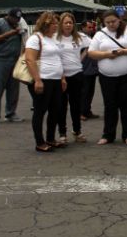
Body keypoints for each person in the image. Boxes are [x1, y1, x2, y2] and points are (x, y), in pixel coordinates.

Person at [87, 10, 127, 145]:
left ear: (119, 19)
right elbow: (91, 52)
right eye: (107, 22)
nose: (111, 24)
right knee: (110, 105)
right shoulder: (100, 34)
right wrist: (107, 55)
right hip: (106, 76)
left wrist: (124, 51)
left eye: (113, 21)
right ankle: (108, 135)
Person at [24, 12, 67, 152]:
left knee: (55, 110)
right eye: (52, 24)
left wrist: (62, 78)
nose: (56, 26)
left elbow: (59, 59)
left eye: (56, 23)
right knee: (40, 111)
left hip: (55, 80)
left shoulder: (54, 39)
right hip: (43, 79)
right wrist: (37, 80)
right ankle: (39, 142)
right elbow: (30, 60)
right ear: (44, 24)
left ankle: (50, 138)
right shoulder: (35, 38)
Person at [55, 12, 90, 144]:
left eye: (71, 22)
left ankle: (77, 131)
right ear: (61, 24)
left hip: (76, 75)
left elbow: (91, 46)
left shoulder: (79, 37)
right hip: (60, 76)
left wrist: (81, 57)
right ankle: (62, 133)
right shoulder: (55, 38)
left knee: (76, 105)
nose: (68, 25)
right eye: (66, 22)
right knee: (61, 106)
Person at [0, 7, 27, 125]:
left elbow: (24, 39)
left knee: (13, 88)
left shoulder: (19, 24)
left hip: (15, 60)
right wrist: (9, 33)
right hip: (2, 60)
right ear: (8, 16)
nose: (16, 20)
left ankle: (10, 113)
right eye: (14, 18)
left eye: (18, 18)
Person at [79, 21, 100, 121]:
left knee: (90, 91)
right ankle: (82, 112)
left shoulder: (89, 38)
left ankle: (87, 111)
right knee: (85, 92)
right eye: (89, 27)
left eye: (92, 27)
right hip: (84, 69)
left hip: (91, 69)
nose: (91, 29)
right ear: (83, 27)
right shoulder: (80, 38)